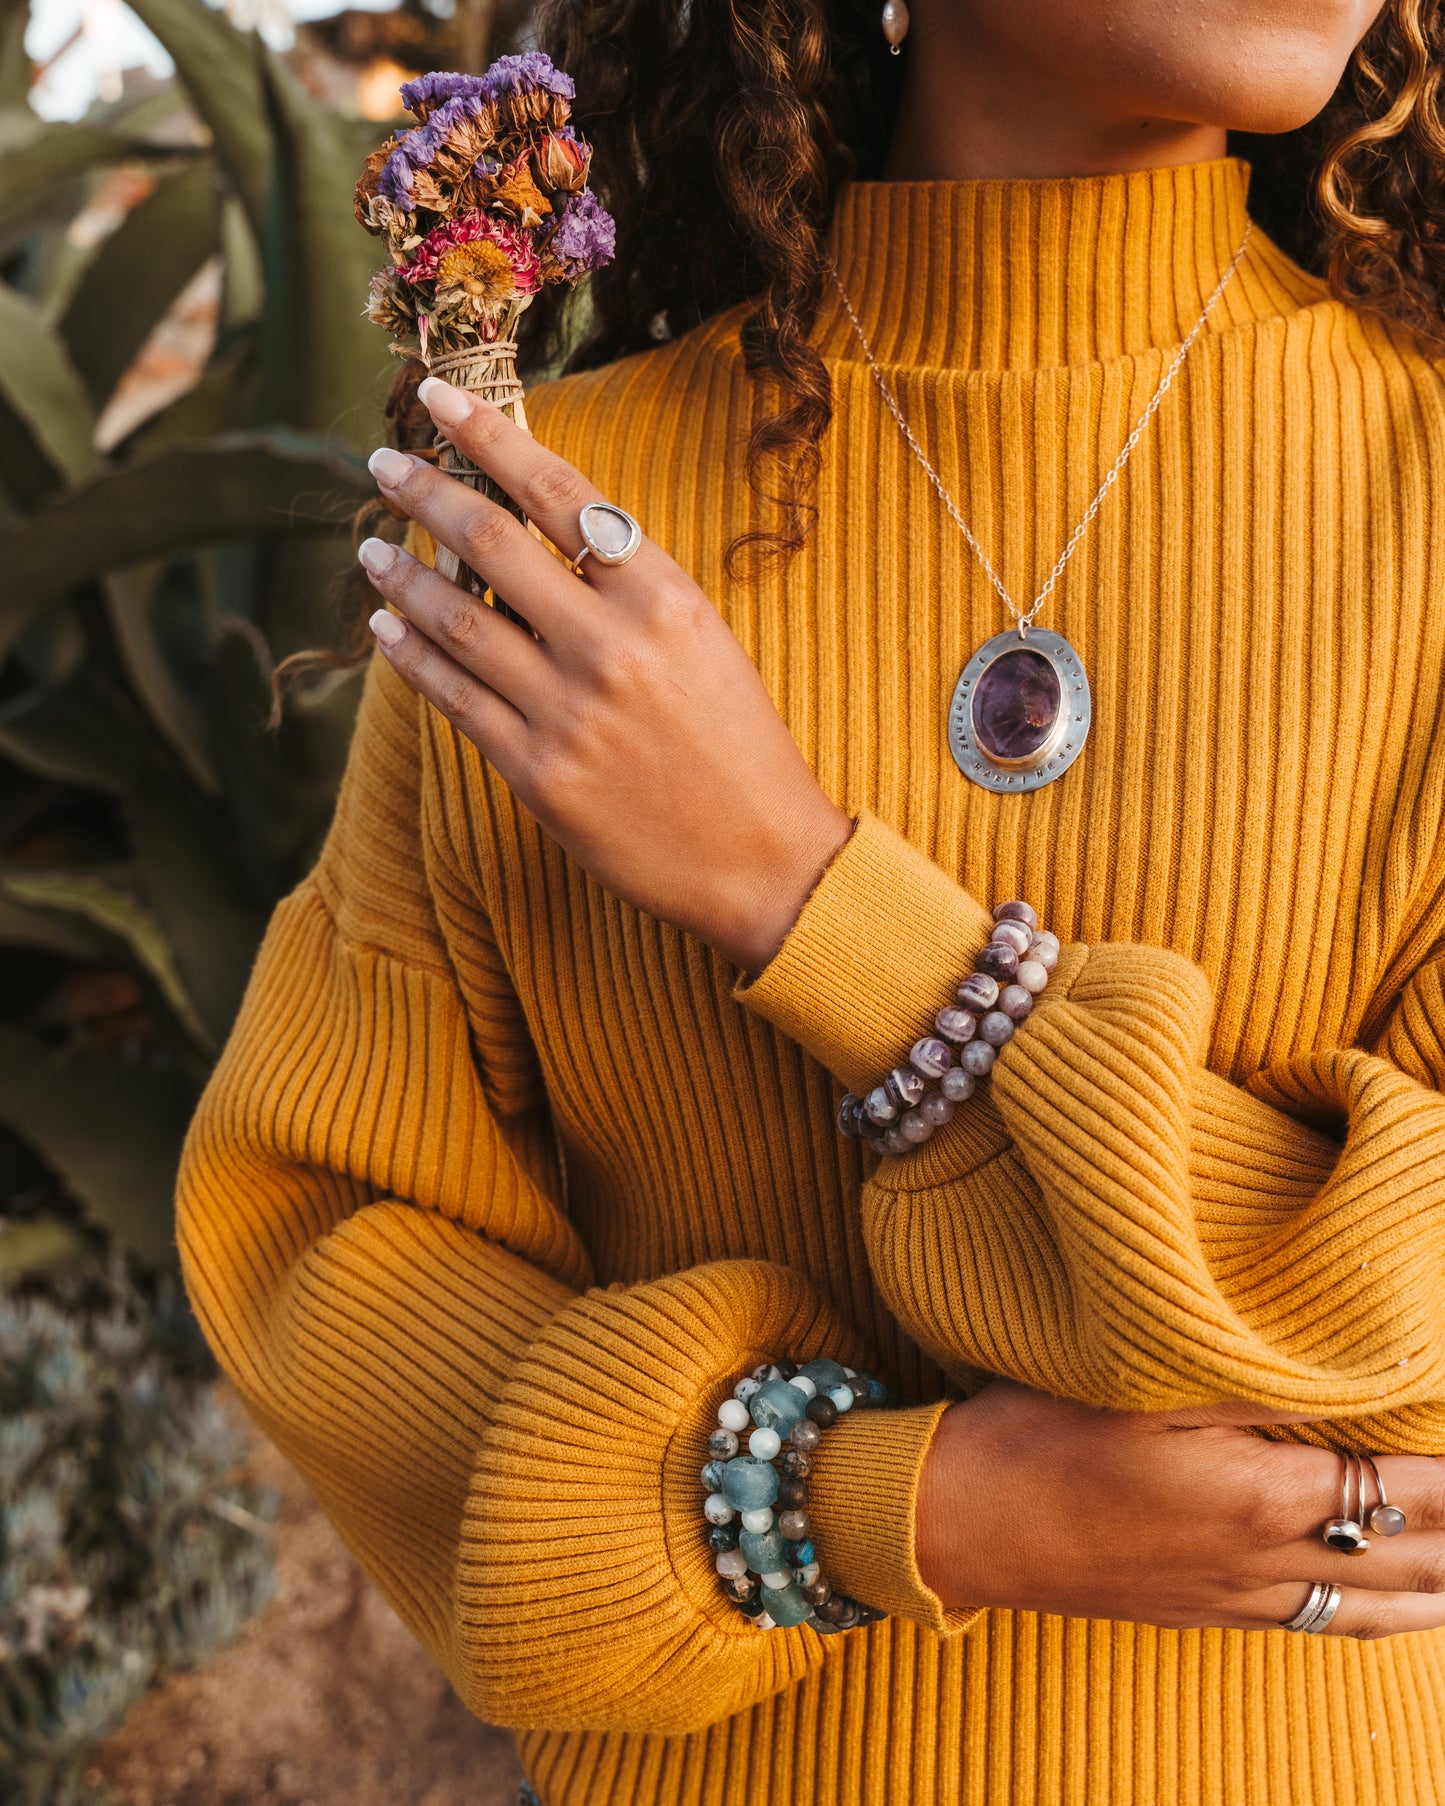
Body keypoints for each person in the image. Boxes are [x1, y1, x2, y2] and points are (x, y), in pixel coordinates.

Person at [175, 0, 1445, 1799]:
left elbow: (1410, 1353)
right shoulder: (562, 532)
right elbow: (326, 1240)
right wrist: (898, 1505)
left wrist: (809, 902)